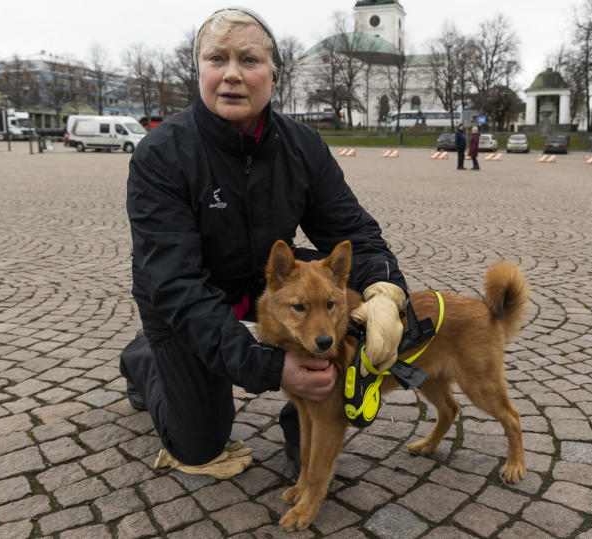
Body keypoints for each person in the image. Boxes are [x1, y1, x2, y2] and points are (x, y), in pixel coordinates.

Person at [123, 7, 408, 480]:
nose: (232, 74)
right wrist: (269, 366)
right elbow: (176, 284)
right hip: (185, 302)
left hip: (272, 286)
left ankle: (307, 422)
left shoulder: (303, 146)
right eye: (217, 58)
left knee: (356, 305)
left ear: (273, 77)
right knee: (199, 445)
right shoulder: (160, 154)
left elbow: (354, 233)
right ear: (200, 71)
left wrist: (385, 292)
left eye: (249, 60)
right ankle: (145, 360)